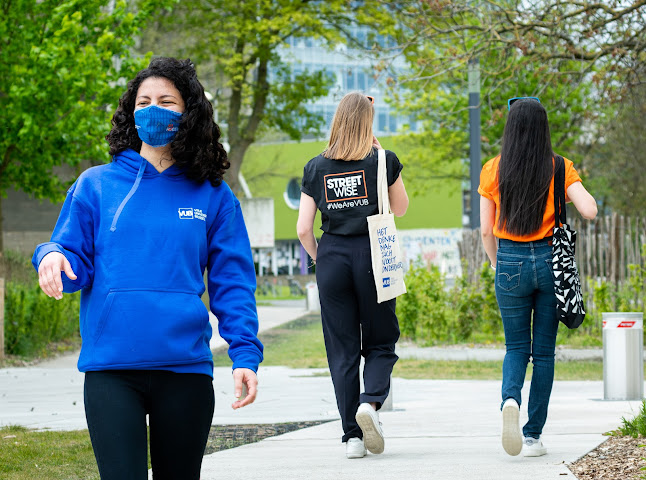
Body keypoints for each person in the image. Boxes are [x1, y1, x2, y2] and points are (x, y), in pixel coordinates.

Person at [32, 57, 263, 480]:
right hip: (111, 371)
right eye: (144, 101)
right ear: (131, 111)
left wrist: (245, 353)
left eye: (166, 101)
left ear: (188, 112)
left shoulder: (214, 194)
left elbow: (232, 282)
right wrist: (50, 255)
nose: (153, 109)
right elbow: (71, 256)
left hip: (185, 370)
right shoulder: (95, 185)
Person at [478, 97, 597, 457]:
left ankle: (509, 400)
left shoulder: (493, 169)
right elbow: (590, 210)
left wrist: (497, 263)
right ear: (544, 129)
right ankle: (532, 437)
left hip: (510, 260)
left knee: (515, 347)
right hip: (550, 262)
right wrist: (562, 192)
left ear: (510, 128)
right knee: (543, 354)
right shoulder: (559, 167)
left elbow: (485, 230)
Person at [296, 92, 409, 459]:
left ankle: (352, 439)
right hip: (373, 254)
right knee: (380, 340)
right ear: (368, 123)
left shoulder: (315, 167)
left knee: (342, 351)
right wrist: (381, 157)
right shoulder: (383, 161)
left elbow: (302, 229)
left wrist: (321, 259)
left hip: (332, 257)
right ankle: (370, 403)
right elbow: (402, 208)